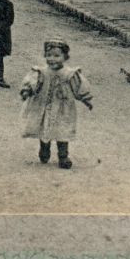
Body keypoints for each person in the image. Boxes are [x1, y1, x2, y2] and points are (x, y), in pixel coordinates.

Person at [20, 39, 93, 169]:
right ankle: (44, 150)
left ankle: (63, 156)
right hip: (44, 106)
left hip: (63, 108)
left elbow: (78, 87)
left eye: (57, 56)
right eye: (49, 55)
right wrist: (27, 91)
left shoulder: (69, 74)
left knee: (62, 130)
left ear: (65, 57)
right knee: (45, 127)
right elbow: (32, 83)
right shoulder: (41, 72)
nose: (52, 59)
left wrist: (85, 99)